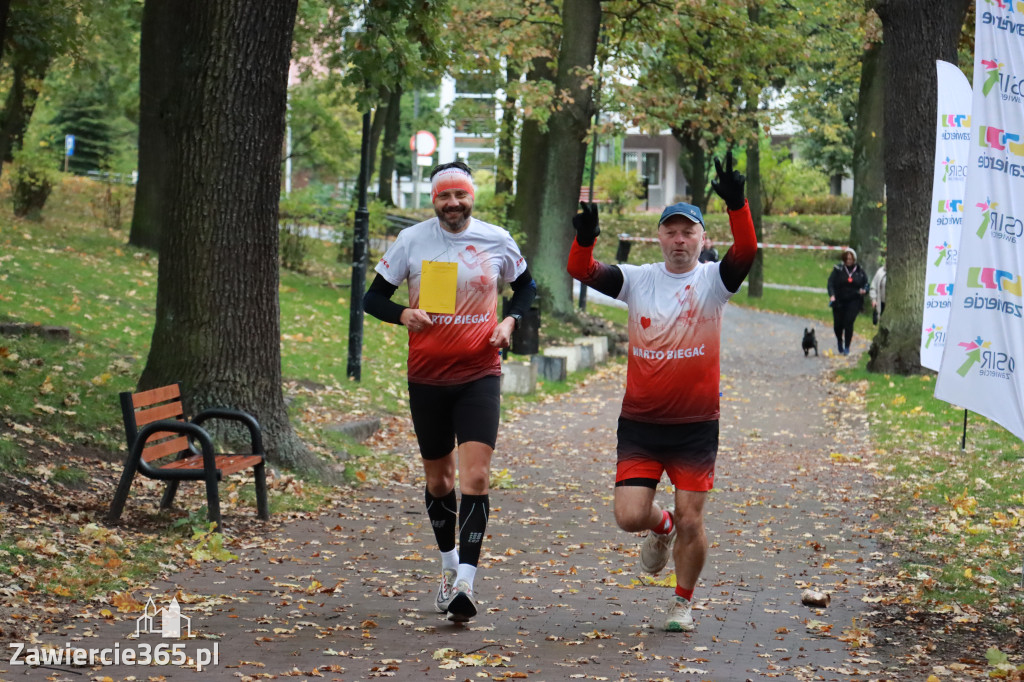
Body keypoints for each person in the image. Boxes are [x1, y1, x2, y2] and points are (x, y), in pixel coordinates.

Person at [566, 152, 756, 632]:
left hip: (695, 425)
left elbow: (746, 252)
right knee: (629, 517)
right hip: (642, 424)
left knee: (693, 519)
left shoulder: (713, 282)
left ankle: (682, 603)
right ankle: (661, 527)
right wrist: (585, 240)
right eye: (671, 231)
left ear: (701, 239)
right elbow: (581, 271)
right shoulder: (639, 280)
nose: (679, 239)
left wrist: (739, 205)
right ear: (659, 238)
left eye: (687, 232)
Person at [362, 160, 537, 623]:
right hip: (427, 377)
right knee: (440, 482)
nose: (453, 204)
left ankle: (466, 582)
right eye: (444, 196)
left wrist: (509, 320)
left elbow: (526, 287)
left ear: (471, 197)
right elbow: (371, 298)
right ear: (433, 199)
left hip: (479, 374)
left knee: (475, 478)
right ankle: (447, 566)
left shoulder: (497, 238)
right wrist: (402, 314)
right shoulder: (412, 241)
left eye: (460, 195)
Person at [827, 247, 869, 355]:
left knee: (848, 323)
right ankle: (839, 341)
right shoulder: (838, 269)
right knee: (838, 325)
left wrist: (864, 290)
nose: (849, 261)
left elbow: (866, 284)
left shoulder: (860, 271)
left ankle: (847, 346)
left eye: (850, 259)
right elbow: (830, 283)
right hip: (839, 300)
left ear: (854, 259)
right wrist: (832, 295)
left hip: (854, 300)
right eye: (847, 259)